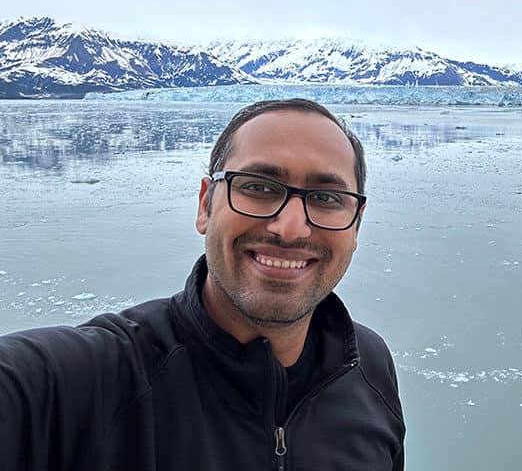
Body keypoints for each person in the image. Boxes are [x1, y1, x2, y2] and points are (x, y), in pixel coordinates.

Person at [0, 99, 405, 470]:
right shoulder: (89, 382)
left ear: (356, 225)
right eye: (258, 187)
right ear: (205, 205)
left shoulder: (368, 366)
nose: (290, 228)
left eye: (327, 198)